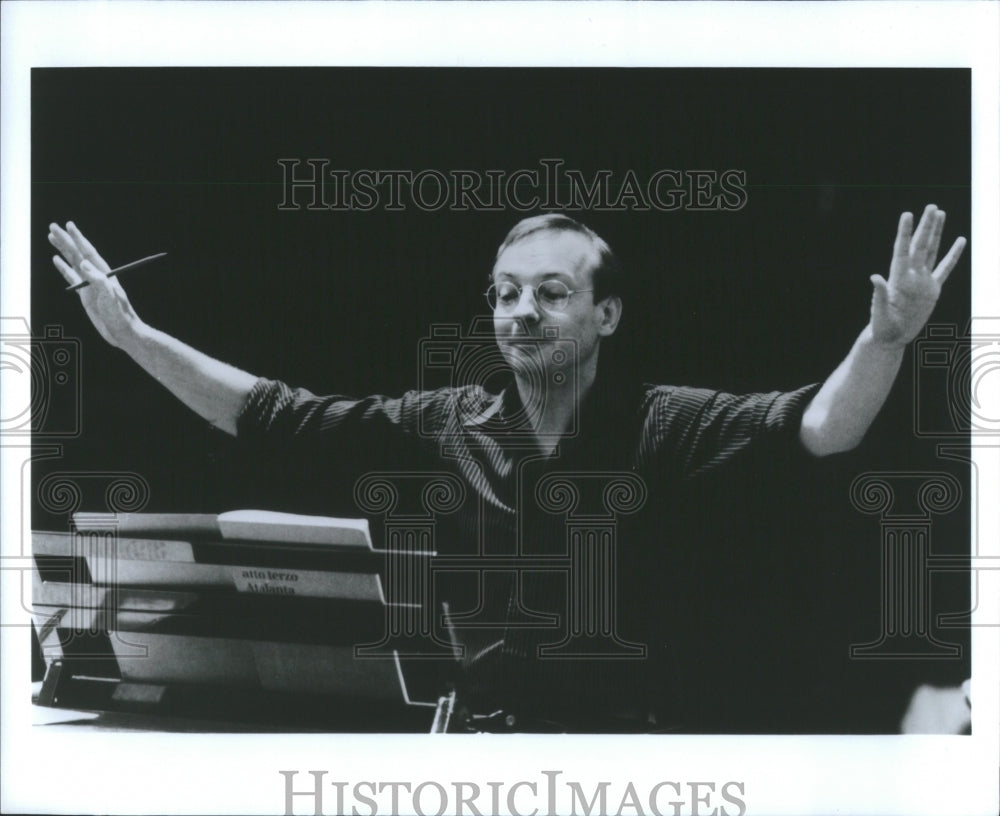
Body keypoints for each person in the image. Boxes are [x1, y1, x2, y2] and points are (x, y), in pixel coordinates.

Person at [48, 207, 966, 731]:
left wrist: (884, 340)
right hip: (474, 750)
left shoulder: (668, 421)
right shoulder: (448, 421)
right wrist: (131, 336)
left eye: (552, 294)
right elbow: (274, 414)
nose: (521, 312)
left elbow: (819, 428)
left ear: (607, 315)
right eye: (506, 294)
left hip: (632, 759)